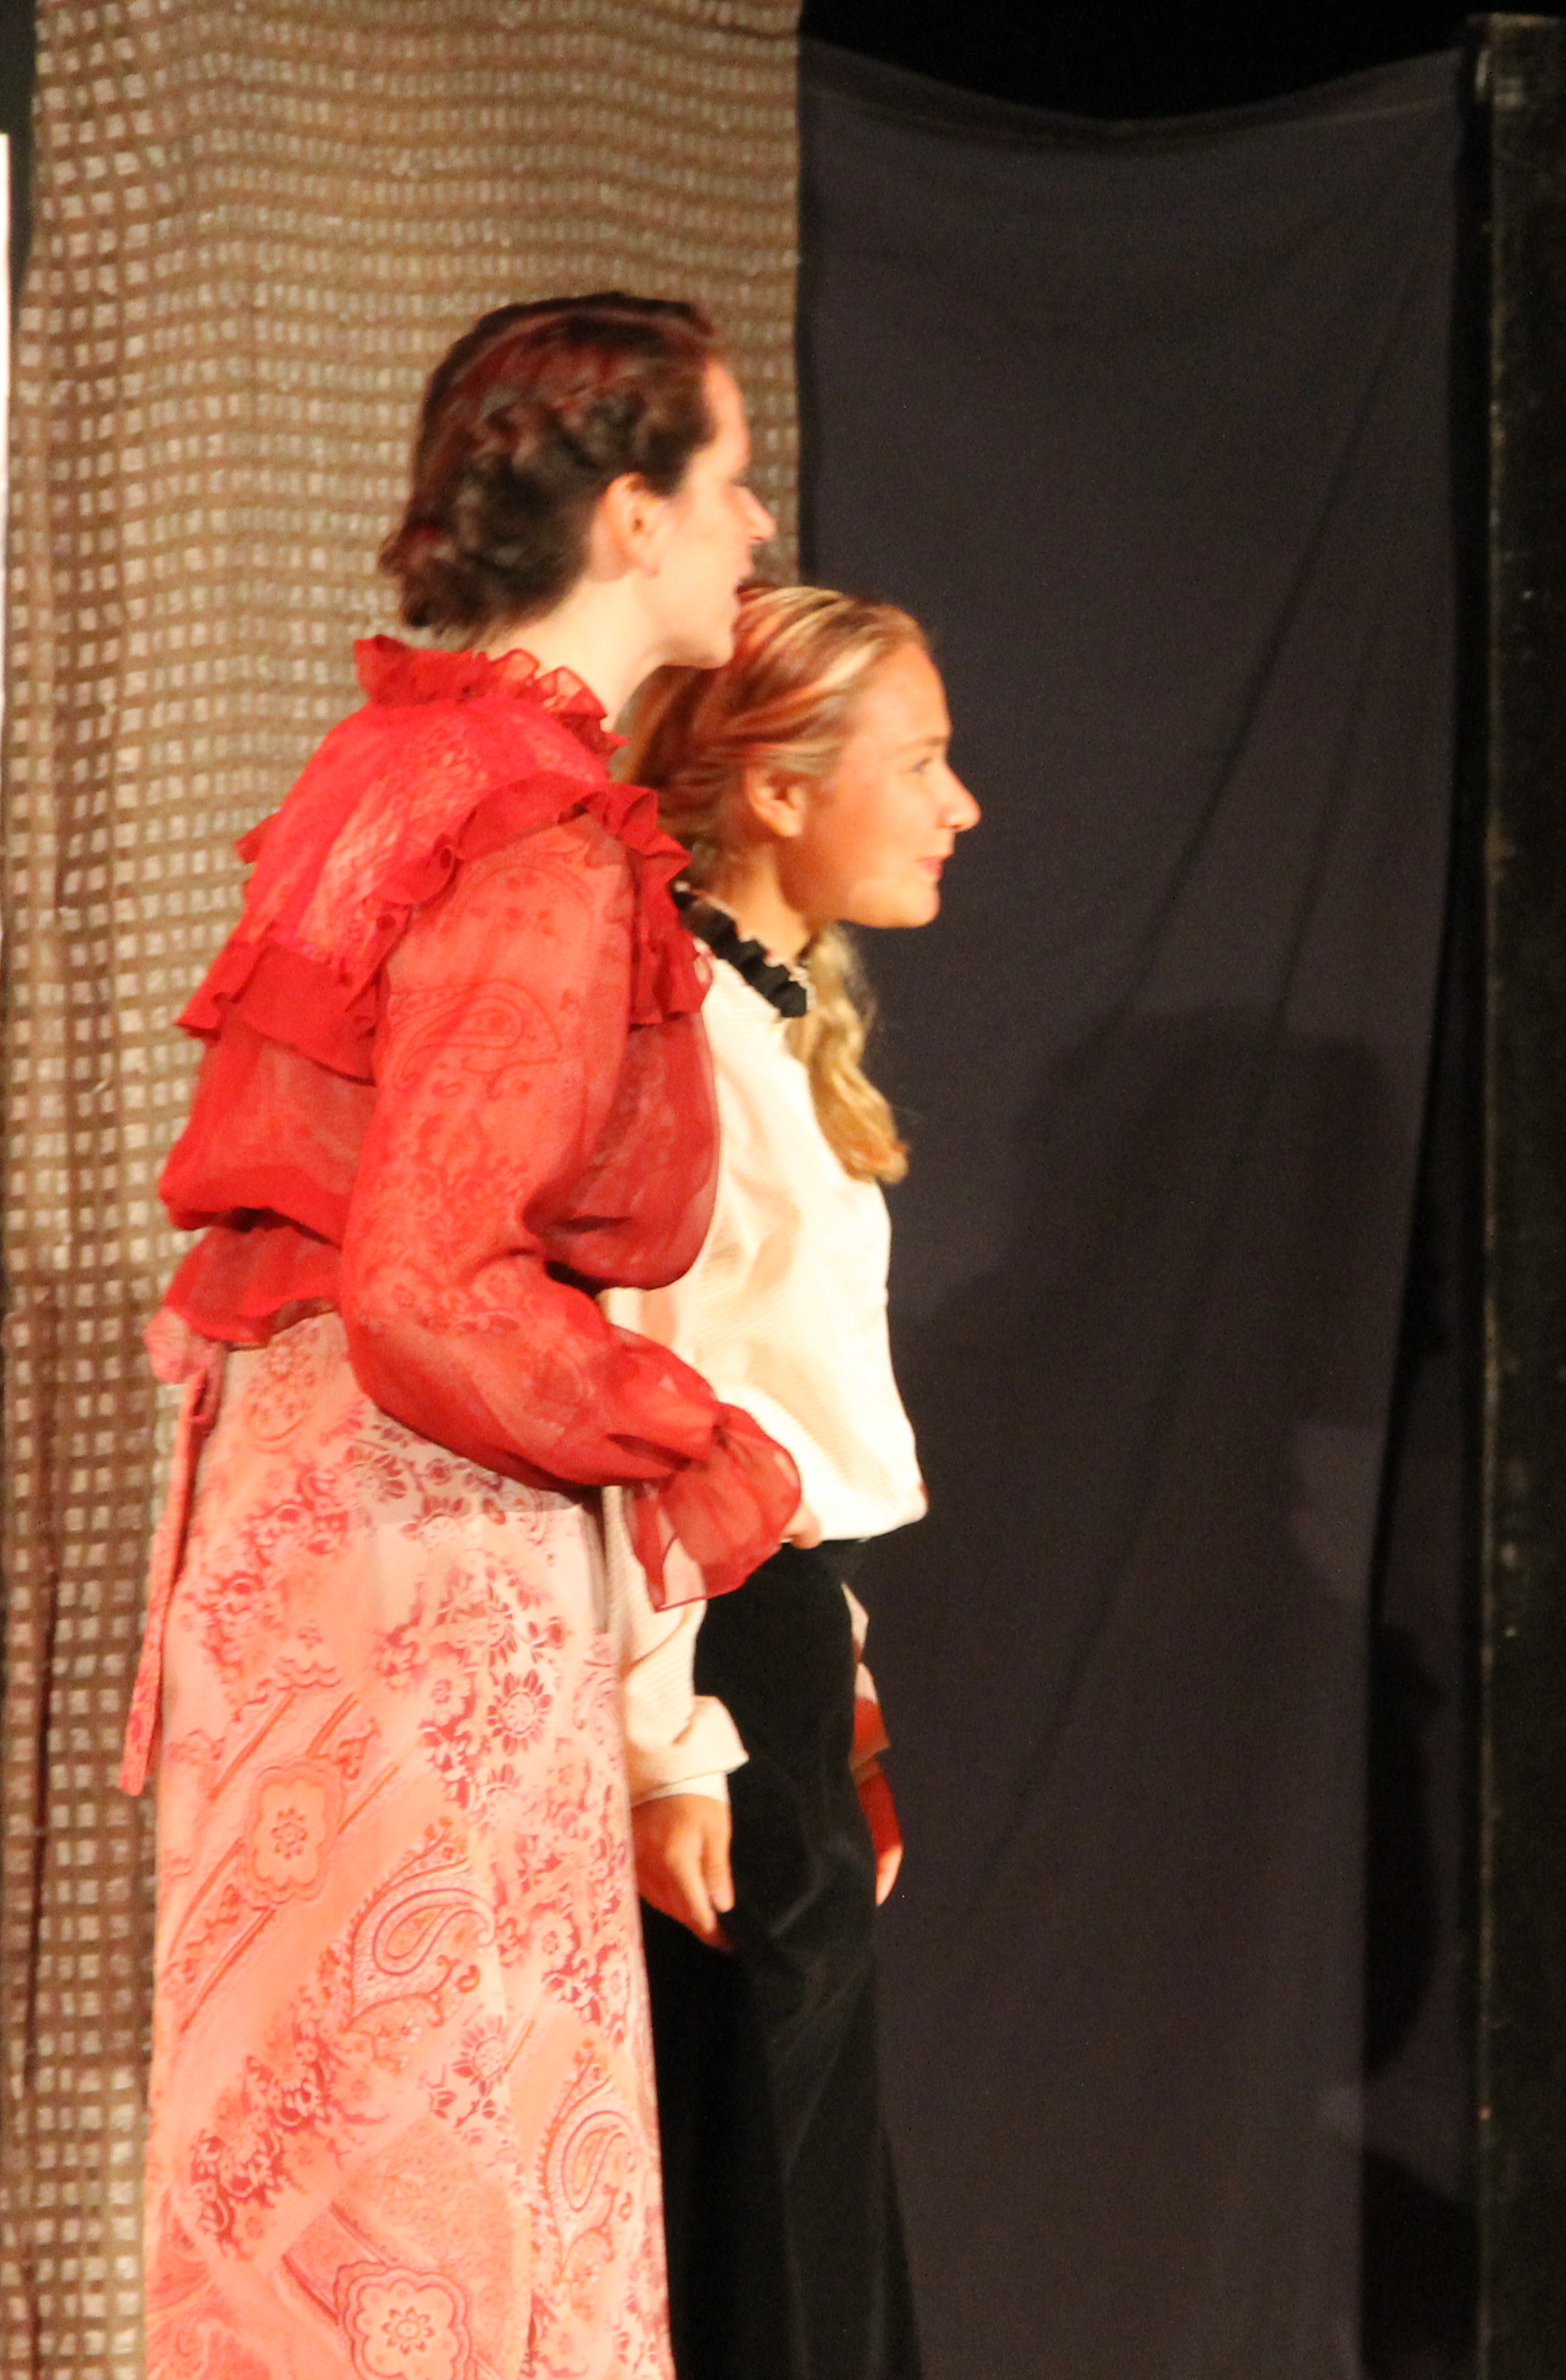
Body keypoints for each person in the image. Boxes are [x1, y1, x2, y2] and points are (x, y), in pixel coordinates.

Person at [119, 293, 803, 2380]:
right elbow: (432, 1281)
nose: (757, 525)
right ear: (631, 515)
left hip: (300, 1507)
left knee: (324, 2101)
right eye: (729, 480)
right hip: (419, 1531)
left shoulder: (392, 765)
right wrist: (689, 1429)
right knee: (434, 2128)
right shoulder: (526, 819)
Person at [611, 583, 979, 2380]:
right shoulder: (681, 1032)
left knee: (812, 2188)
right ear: (774, 790)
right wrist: (667, 1742)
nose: (957, 805)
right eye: (920, 762)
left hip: (774, 1638)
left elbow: (771, 1415)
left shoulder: (759, 1023)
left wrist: (839, 1676)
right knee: (756, 2187)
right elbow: (635, 1397)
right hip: (712, 1661)